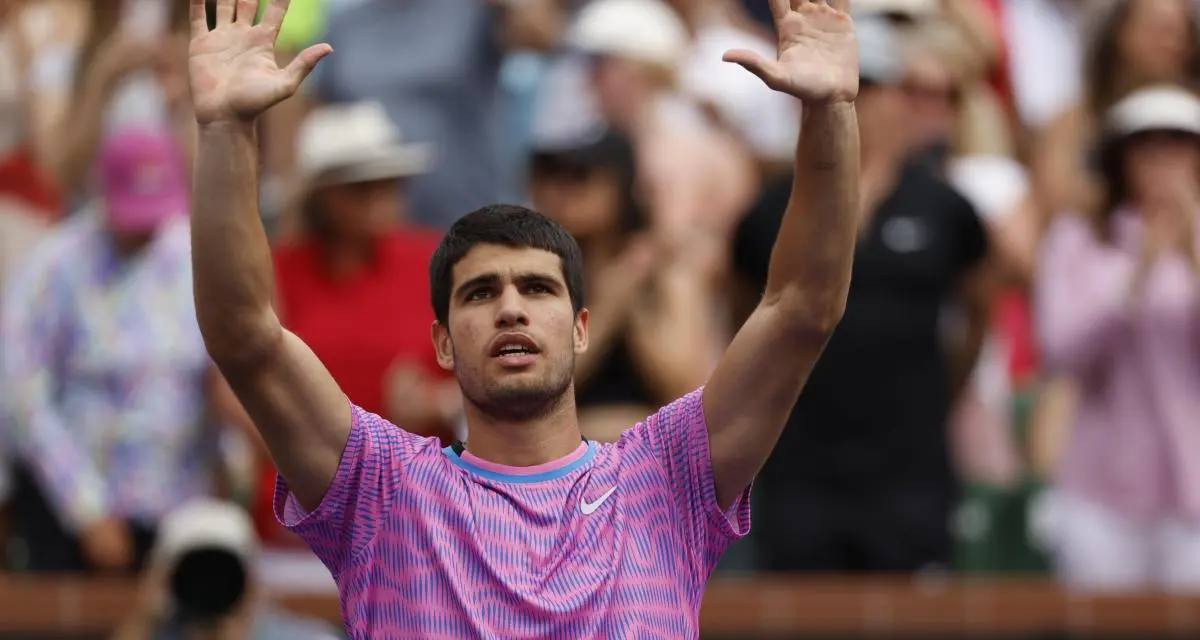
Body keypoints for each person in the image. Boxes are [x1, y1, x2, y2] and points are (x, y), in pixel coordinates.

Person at [187, 0, 859, 637]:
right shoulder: (384, 491)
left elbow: (802, 308)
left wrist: (831, 111)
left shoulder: (666, 476)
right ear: (443, 345)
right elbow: (246, 336)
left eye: (538, 288)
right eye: (480, 293)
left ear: (581, 328)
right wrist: (224, 132)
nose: (510, 307)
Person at [734, 14, 993, 574]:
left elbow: (979, 311)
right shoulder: (768, 207)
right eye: (860, 85)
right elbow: (743, 311)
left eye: (873, 85)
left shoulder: (946, 208)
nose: (860, 101)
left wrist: (940, 392)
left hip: (910, 466)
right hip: (801, 466)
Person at [1035, 85, 1200, 592]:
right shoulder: (1079, 237)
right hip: (1101, 489)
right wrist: (1137, 277)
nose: (1163, 158)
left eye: (1179, 141)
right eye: (1146, 143)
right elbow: (1063, 349)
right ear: (1118, 157)